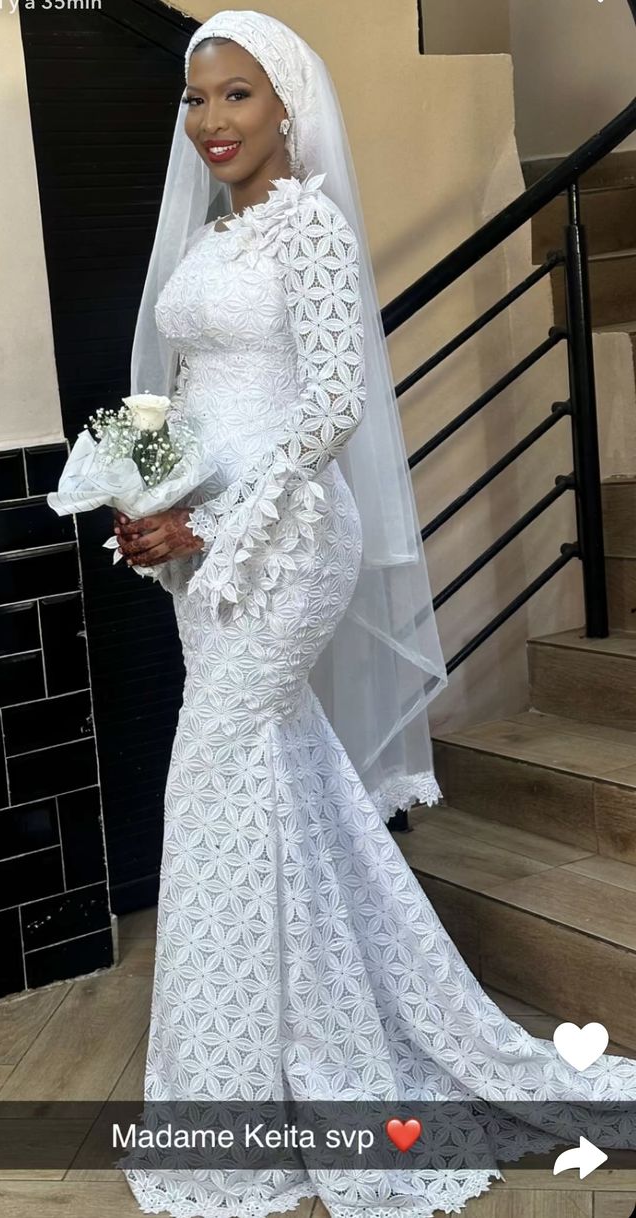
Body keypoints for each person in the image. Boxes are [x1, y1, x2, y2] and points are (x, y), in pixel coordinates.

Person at [115, 11, 636, 1217]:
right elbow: (186, 395)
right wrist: (150, 502)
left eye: (236, 97)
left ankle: (248, 1088)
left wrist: (218, 523)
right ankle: (297, 1048)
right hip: (208, 540)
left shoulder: (306, 226)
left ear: (287, 106)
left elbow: (335, 408)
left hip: (287, 538)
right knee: (272, 778)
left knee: (214, 781)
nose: (212, 124)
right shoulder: (206, 246)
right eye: (196, 102)